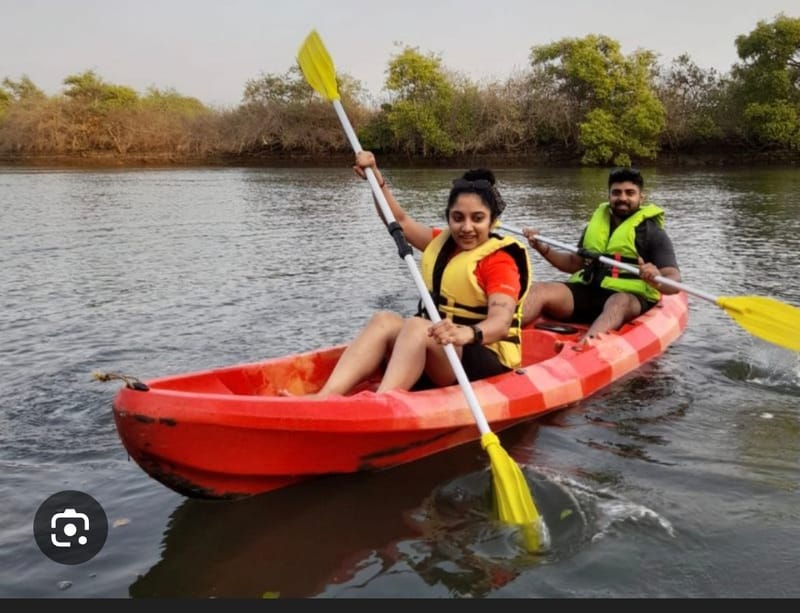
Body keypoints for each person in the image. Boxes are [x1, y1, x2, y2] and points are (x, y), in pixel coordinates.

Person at [295, 150, 532, 398]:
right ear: (448, 217)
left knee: (418, 326)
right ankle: (326, 396)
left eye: (478, 219)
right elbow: (399, 221)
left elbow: (501, 323)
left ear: (492, 221)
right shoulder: (442, 243)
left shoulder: (499, 261)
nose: (467, 228)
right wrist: (376, 179)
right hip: (444, 347)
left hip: (486, 356)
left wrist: (465, 333)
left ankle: (383, 400)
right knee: (384, 320)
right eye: (458, 218)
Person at [521, 167, 681, 346]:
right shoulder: (595, 225)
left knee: (618, 301)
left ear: (641, 197)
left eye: (630, 193)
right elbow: (574, 263)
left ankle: (582, 348)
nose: (622, 198)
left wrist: (656, 279)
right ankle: (501, 331)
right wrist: (542, 247)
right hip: (590, 291)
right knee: (540, 290)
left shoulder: (653, 233)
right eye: (616, 193)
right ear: (609, 196)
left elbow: (674, 280)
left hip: (629, 298)